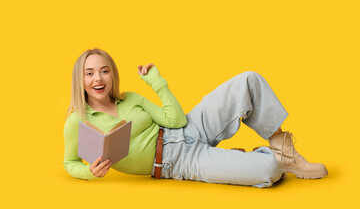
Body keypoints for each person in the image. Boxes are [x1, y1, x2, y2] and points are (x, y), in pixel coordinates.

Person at [63, 48, 328, 188]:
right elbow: (69, 162)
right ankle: (256, 157)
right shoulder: (78, 120)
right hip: (176, 163)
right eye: (89, 73)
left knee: (248, 80)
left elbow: (176, 120)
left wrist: (156, 83)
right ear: (81, 79)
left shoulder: (130, 98)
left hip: (189, 128)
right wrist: (88, 172)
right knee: (269, 171)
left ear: (112, 74)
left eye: (104, 71)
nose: (98, 78)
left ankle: (285, 151)